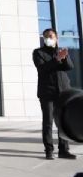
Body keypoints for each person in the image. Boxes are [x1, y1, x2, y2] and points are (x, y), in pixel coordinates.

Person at [32, 28, 77, 160]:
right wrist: (57, 59)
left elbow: (69, 67)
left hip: (63, 92)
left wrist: (64, 57)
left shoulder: (60, 51)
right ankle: (49, 150)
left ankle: (64, 150)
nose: (48, 38)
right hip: (47, 92)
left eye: (50, 36)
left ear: (57, 38)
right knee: (48, 122)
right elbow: (42, 69)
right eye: (45, 36)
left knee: (63, 121)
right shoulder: (38, 52)